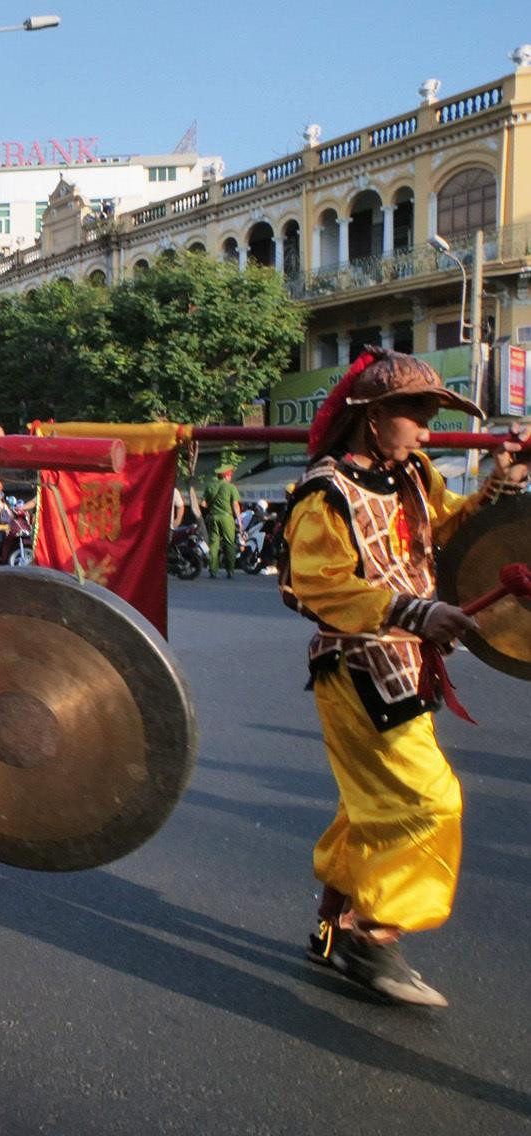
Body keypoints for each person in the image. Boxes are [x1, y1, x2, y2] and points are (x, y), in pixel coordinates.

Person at [280, 347, 527, 1007]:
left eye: (430, 413)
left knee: (371, 807)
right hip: (356, 667)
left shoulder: (415, 474)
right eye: (415, 412)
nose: (425, 427)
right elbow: (313, 585)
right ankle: (374, 933)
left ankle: (333, 925)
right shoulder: (325, 490)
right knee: (428, 801)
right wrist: (415, 609)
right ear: (373, 414)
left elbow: (444, 532)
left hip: (406, 662)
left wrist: (501, 483)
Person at [202, 464, 240, 579]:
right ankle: (230, 571)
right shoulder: (231, 487)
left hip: (213, 517)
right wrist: (239, 520)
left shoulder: (210, 487)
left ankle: (213, 571)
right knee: (229, 543)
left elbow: (203, 504)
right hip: (226, 517)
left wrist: (212, 507)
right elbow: (235, 505)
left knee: (213, 544)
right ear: (227, 476)